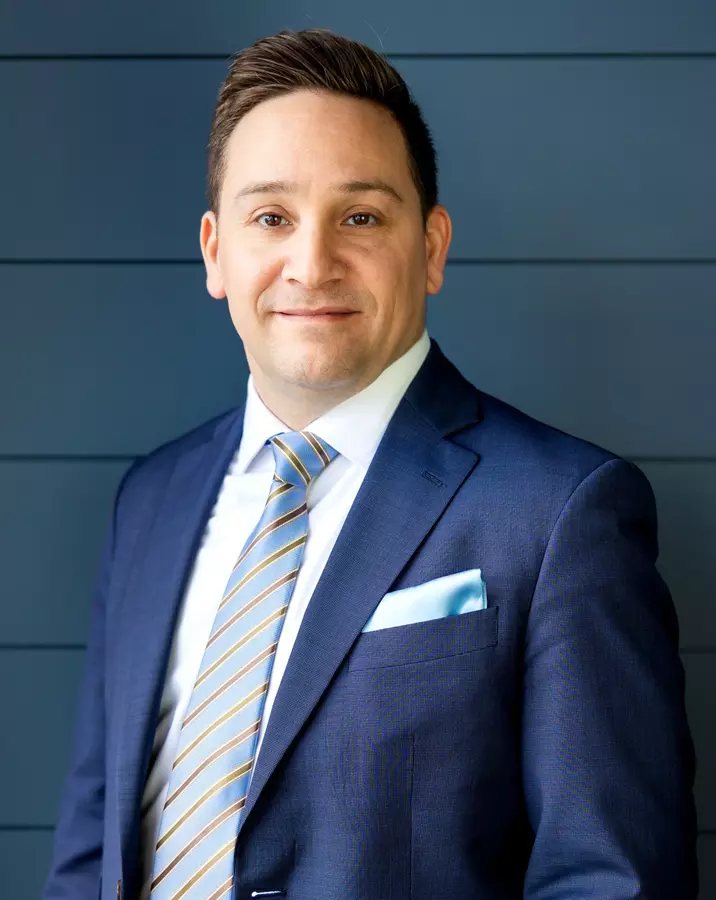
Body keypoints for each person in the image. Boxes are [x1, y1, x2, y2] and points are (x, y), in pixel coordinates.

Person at [42, 27, 698, 900]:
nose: (312, 265)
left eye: (360, 217)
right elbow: (89, 857)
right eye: (271, 218)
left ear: (431, 247)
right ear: (215, 251)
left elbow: (611, 881)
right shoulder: (150, 502)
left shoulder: (561, 512)